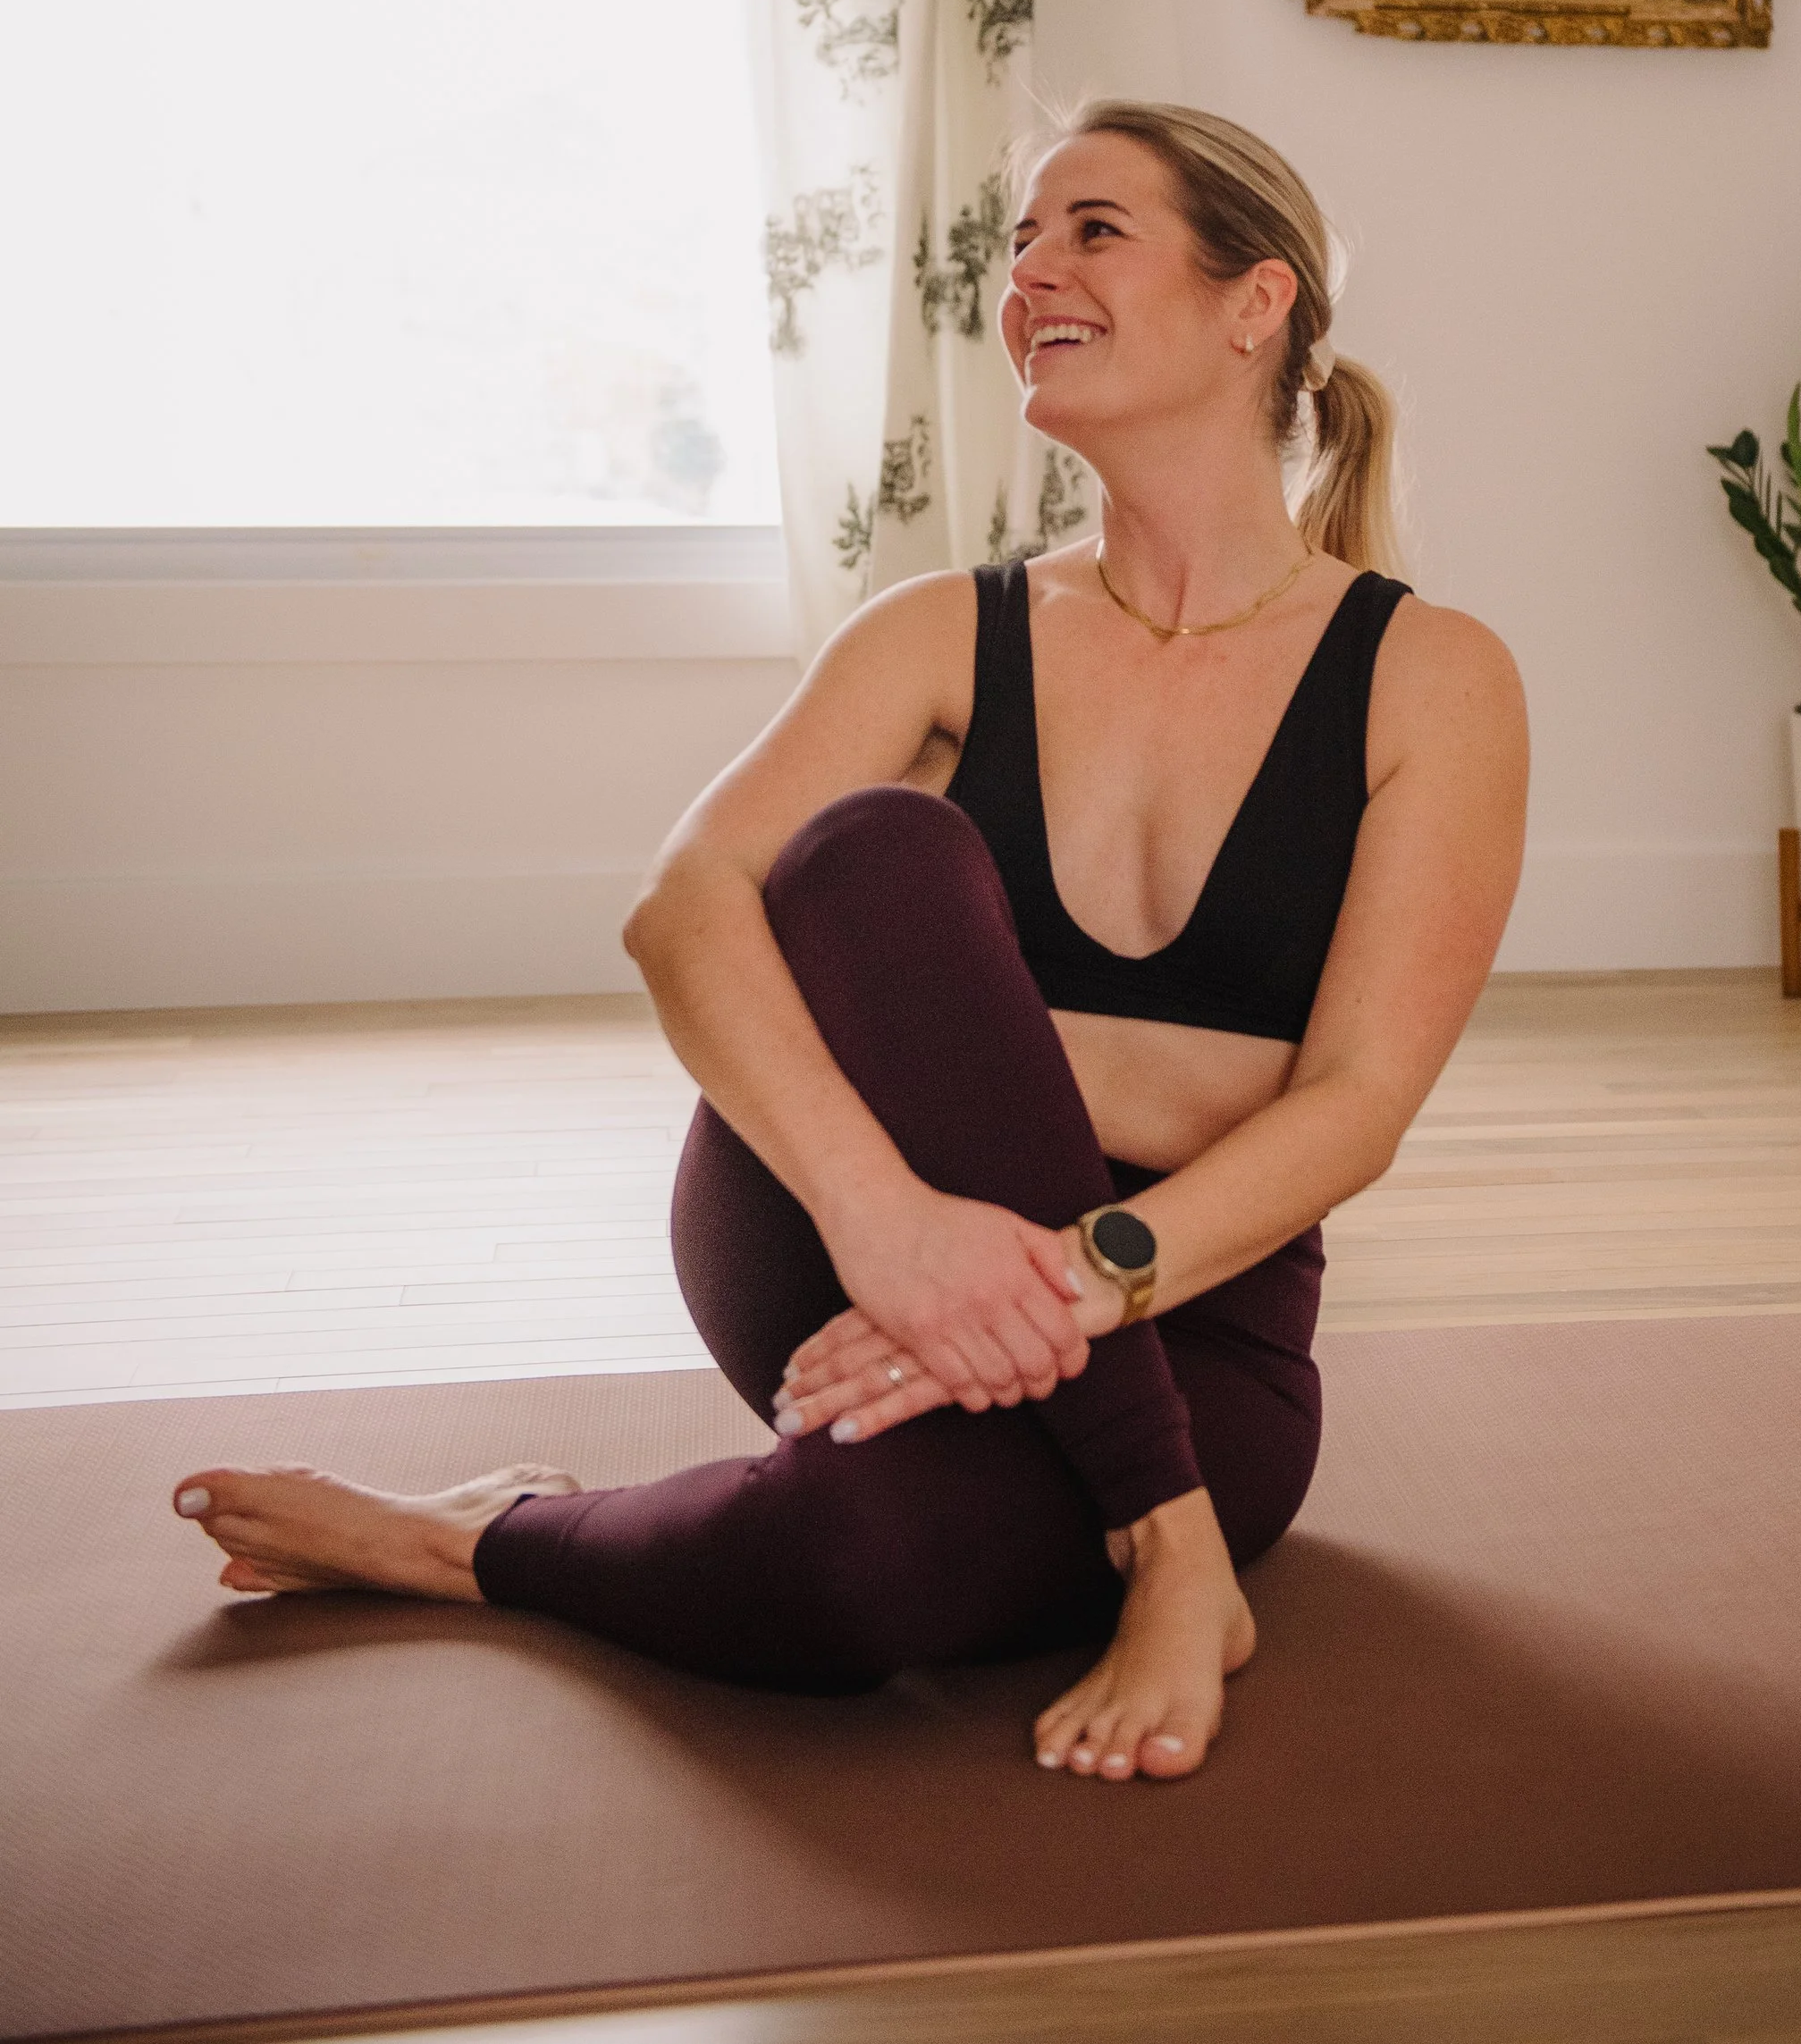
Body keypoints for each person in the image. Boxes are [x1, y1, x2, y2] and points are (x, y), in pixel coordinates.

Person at [173, 101, 1527, 1782]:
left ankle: (480, 1536)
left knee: (850, 1571)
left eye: (1090, 229)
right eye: (1020, 240)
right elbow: (682, 908)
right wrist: (891, 1228)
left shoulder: (1428, 676)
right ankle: (1170, 1546)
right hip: (840, 1235)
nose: (1028, 270)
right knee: (872, 851)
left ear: (1258, 302)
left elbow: (1358, 1102)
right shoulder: (945, 635)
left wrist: (1060, 1279)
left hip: (1195, 1317)